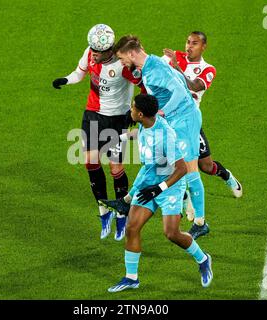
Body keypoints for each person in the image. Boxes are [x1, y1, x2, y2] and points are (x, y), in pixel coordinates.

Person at [100, 35, 208, 240]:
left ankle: (200, 222)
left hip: (185, 119)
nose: (122, 63)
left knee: (189, 169)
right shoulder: (150, 67)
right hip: (176, 118)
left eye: (122, 58)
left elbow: (179, 93)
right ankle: (127, 200)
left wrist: (162, 113)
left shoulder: (154, 69)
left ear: (131, 53)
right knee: (155, 160)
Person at [107, 94, 213, 292]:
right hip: (150, 183)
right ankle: (131, 278)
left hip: (171, 186)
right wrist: (120, 137)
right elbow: (143, 133)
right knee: (132, 227)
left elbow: (181, 168)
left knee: (171, 233)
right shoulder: (144, 123)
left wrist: (160, 188)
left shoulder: (166, 136)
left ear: (140, 113)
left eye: (132, 108)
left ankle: (203, 259)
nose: (130, 110)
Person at [52, 24, 144, 241]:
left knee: (115, 167)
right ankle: (104, 213)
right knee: (91, 163)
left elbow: (143, 84)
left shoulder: (123, 65)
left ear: (109, 50)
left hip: (117, 119)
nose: (93, 54)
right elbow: (79, 73)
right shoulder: (91, 52)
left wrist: (136, 111)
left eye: (97, 51)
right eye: (91, 49)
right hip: (93, 115)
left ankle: (122, 214)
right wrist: (65, 80)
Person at [162, 31, 243, 235]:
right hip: (170, 122)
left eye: (194, 43)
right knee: (174, 164)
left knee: (205, 166)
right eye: (188, 42)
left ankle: (227, 176)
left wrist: (176, 67)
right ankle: (187, 202)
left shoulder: (207, 69)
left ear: (203, 47)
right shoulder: (173, 57)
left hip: (190, 123)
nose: (189, 46)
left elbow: (193, 86)